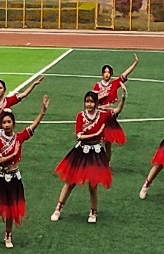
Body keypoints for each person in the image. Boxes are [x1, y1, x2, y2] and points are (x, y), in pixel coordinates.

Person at [0, 94, 48, 248]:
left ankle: (8, 236)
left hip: (13, 178)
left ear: (13, 123)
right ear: (1, 125)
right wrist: (13, 154)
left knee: (10, 208)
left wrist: (42, 112)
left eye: (9, 122)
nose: (6, 125)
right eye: (4, 122)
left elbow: (32, 127)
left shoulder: (18, 138)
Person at [50, 91, 120, 223]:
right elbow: (79, 136)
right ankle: (58, 208)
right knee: (70, 182)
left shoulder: (102, 115)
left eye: (91, 101)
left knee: (93, 185)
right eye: (87, 101)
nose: (89, 104)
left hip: (96, 153)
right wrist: (96, 134)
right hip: (81, 151)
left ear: (96, 103)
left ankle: (93, 212)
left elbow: (117, 110)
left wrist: (123, 97)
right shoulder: (80, 116)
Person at [92, 54, 138, 162]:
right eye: (105, 72)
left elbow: (124, 75)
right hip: (99, 115)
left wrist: (135, 63)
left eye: (109, 72)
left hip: (110, 116)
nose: (107, 74)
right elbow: (92, 101)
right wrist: (100, 99)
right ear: (102, 74)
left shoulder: (114, 84)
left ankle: (107, 163)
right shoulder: (97, 86)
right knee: (96, 141)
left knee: (108, 143)